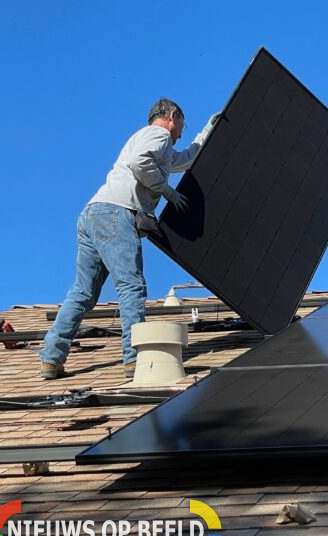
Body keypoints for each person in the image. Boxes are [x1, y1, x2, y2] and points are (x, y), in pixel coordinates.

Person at [39, 98, 219, 379]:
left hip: (92, 214)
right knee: (131, 285)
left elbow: (184, 160)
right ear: (173, 116)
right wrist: (167, 192)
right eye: (183, 123)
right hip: (116, 213)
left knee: (83, 293)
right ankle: (134, 359)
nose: (182, 131)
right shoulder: (158, 135)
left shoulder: (151, 141)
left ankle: (51, 358)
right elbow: (140, 163)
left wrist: (207, 131)